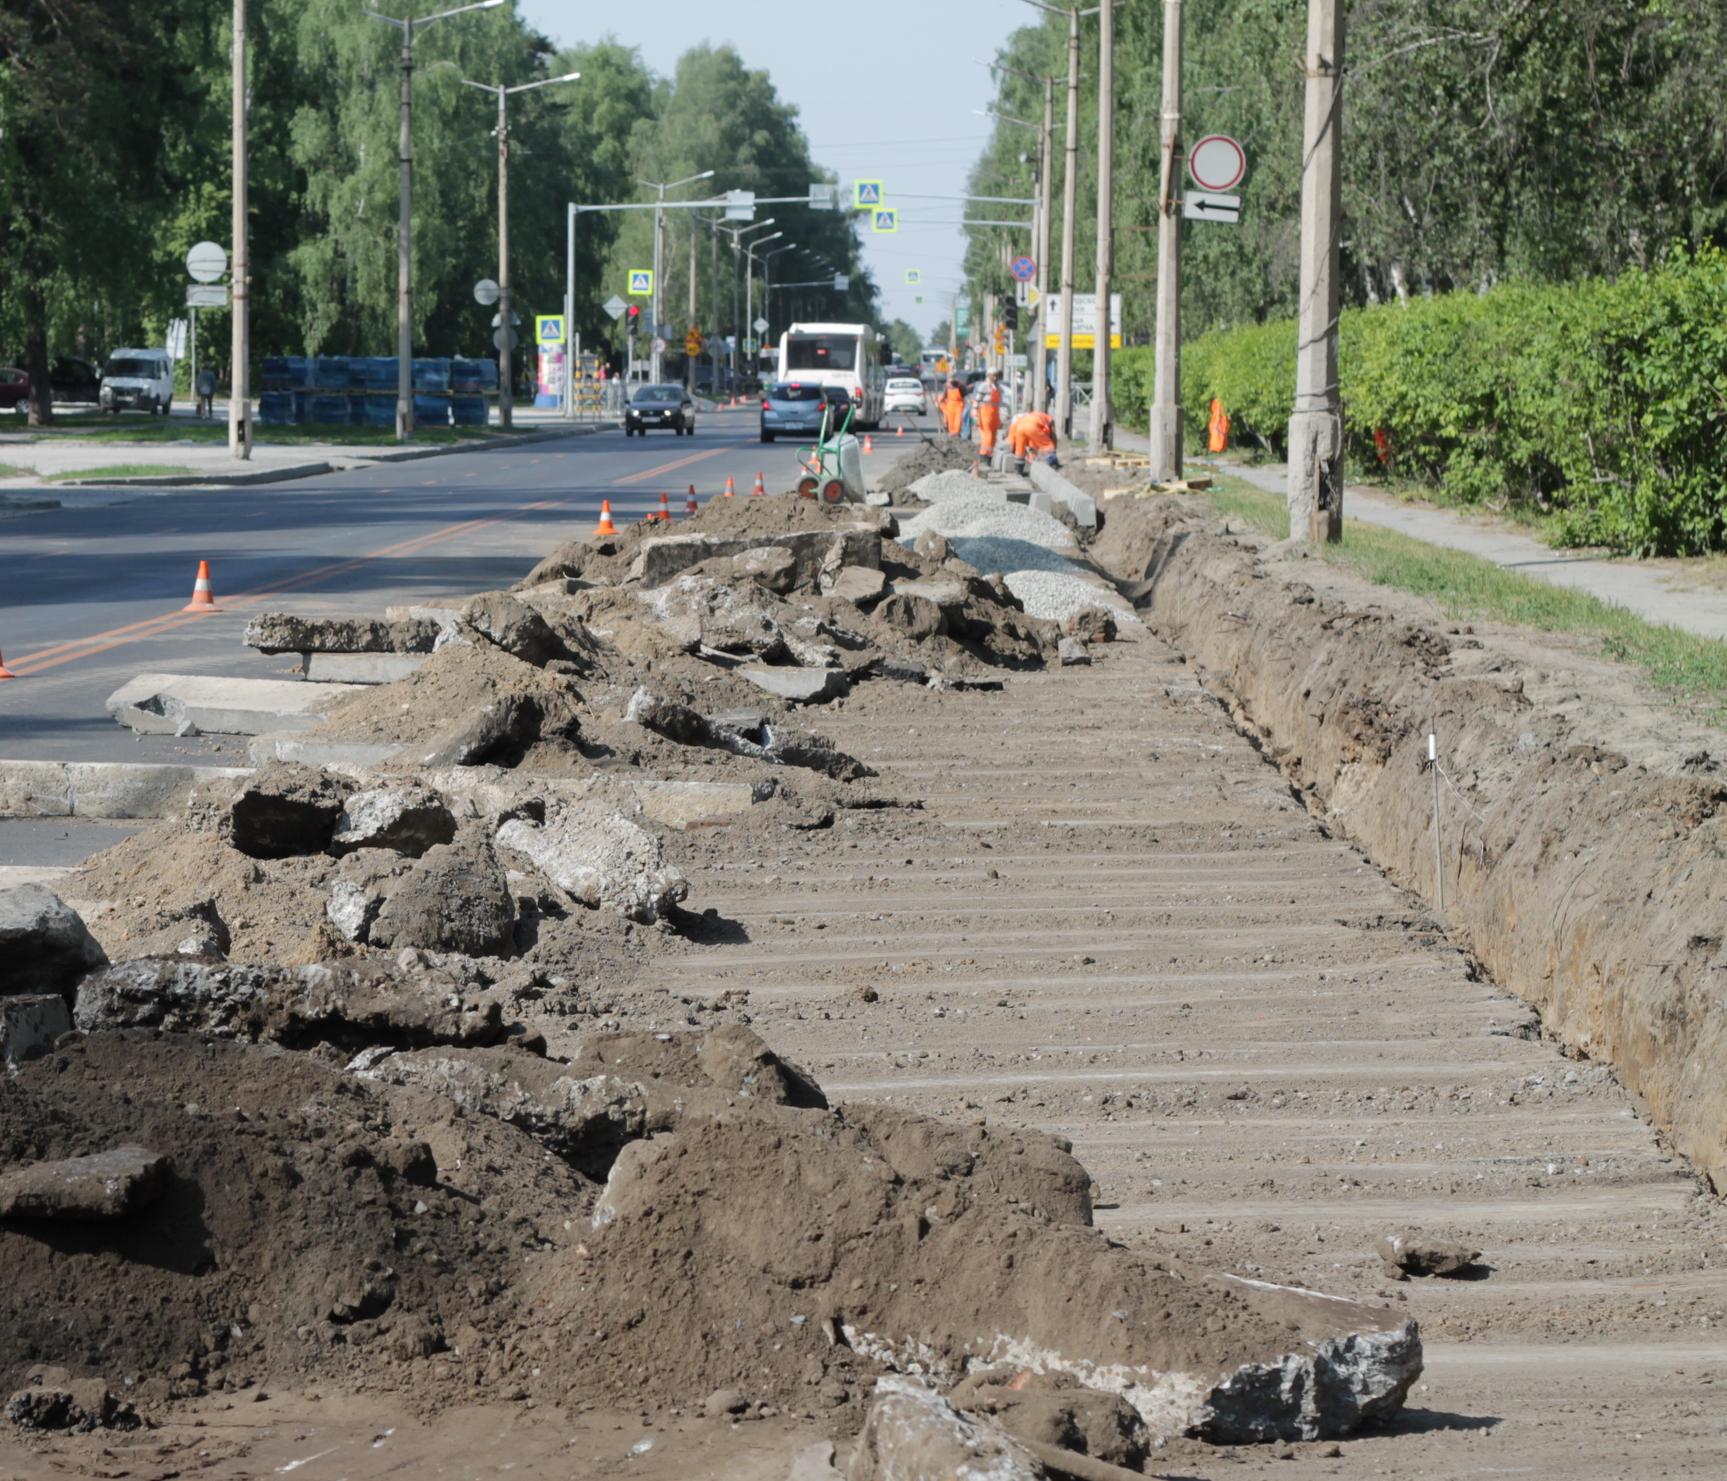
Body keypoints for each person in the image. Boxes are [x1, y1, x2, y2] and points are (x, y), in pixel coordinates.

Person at [1008, 407, 1059, 473]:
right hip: (1032, 426)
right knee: (1049, 446)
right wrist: (1054, 448)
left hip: (1020, 427)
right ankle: (1053, 464)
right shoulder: (1049, 419)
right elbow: (1053, 435)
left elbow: (1033, 446)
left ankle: (1019, 470)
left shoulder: (1032, 415)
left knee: (1020, 453)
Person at [975, 370, 1004, 460]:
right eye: (993, 376)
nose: (995, 378)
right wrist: (975, 414)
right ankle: (984, 454)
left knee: (993, 435)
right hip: (985, 413)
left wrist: (1001, 416)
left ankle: (990, 453)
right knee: (987, 434)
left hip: (995, 414)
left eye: (996, 376)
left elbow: (1000, 403)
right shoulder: (984, 386)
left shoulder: (998, 387)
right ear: (988, 375)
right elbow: (977, 400)